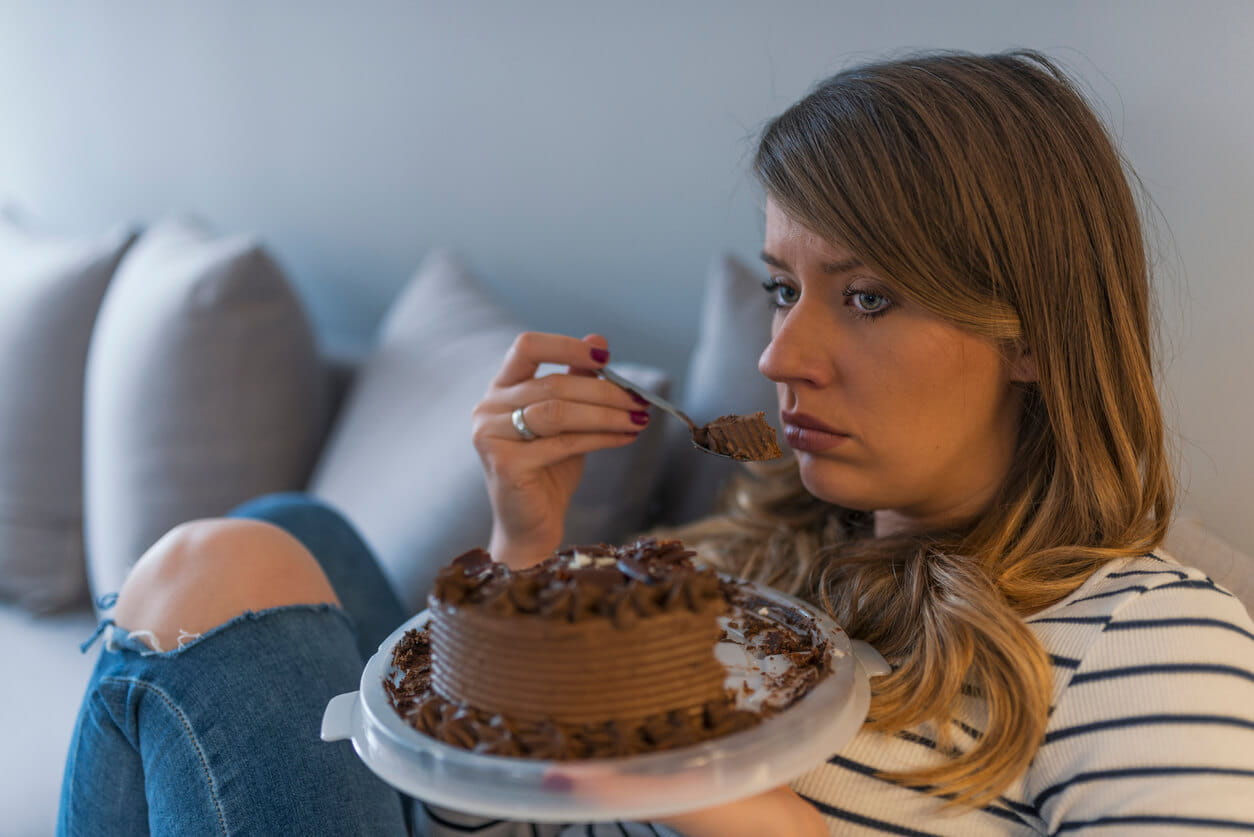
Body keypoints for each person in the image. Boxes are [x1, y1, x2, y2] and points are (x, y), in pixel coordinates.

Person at [57, 49, 1254, 836]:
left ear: (1036, 333)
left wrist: (697, 773)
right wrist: (527, 559)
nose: (783, 355)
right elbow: (482, 820)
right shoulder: (739, 566)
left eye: (871, 296)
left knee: (213, 568)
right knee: (282, 538)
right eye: (784, 289)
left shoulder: (1153, 638)